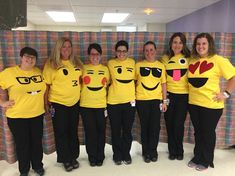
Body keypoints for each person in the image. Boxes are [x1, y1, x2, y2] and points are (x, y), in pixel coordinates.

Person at [187, 33, 235, 171]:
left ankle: (206, 160)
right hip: (194, 104)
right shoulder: (192, 61)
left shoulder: (218, 60)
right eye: (198, 44)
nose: (200, 46)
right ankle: (197, 156)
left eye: (204, 44)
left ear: (209, 45)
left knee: (207, 133)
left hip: (211, 105)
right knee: (198, 132)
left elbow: (233, 76)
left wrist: (226, 93)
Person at [0, 47, 46, 176]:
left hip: (37, 114)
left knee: (36, 143)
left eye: (33, 57)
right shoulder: (9, 73)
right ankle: (24, 170)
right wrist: (2, 102)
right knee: (22, 144)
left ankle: (38, 166)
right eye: (27, 56)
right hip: (17, 117)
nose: (30, 59)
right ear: (21, 57)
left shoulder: (39, 72)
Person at [43, 37, 83, 172]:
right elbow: (46, 86)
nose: (66, 49)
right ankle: (65, 159)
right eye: (63, 47)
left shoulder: (77, 63)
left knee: (73, 131)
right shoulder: (51, 64)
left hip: (74, 103)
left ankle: (73, 157)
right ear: (58, 48)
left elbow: (80, 81)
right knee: (61, 132)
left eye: (69, 47)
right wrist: (46, 104)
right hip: (58, 104)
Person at [136, 41, 167, 163]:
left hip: (156, 101)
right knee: (145, 127)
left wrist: (165, 101)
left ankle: (153, 151)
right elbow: (132, 82)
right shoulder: (138, 65)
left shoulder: (161, 66)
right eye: (146, 50)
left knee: (155, 127)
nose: (149, 53)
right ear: (144, 52)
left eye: (151, 50)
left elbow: (164, 84)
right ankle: (146, 152)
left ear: (155, 50)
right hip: (141, 100)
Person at [160, 32, 190, 160]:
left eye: (180, 42)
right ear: (171, 44)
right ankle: (172, 150)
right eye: (175, 42)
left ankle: (179, 150)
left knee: (178, 123)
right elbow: (162, 80)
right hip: (169, 96)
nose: (177, 45)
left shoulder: (189, 58)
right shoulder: (165, 59)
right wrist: (164, 99)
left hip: (183, 96)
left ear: (183, 44)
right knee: (169, 123)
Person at [80, 43, 110, 167]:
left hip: (101, 106)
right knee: (90, 132)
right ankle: (92, 157)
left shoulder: (105, 69)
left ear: (100, 55)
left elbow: (107, 85)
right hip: (86, 106)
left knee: (101, 131)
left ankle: (100, 156)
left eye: (97, 54)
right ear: (88, 55)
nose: (95, 56)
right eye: (92, 54)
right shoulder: (83, 68)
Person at [107, 40, 136, 165]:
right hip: (113, 103)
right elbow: (107, 81)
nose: (121, 53)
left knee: (127, 130)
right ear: (115, 51)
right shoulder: (110, 63)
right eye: (119, 51)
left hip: (129, 103)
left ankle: (126, 153)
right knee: (115, 130)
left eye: (124, 51)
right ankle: (117, 155)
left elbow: (135, 80)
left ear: (127, 52)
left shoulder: (132, 63)